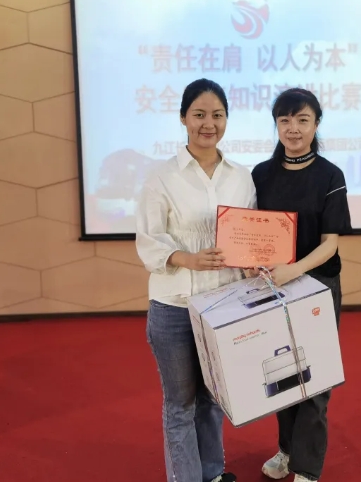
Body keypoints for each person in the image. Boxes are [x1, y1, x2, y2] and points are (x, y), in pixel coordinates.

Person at [136, 78, 255, 482]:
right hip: (174, 307)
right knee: (180, 404)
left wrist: (253, 262)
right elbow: (149, 240)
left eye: (217, 115)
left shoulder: (241, 177)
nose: (209, 124)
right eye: (199, 114)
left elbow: (248, 235)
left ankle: (213, 473)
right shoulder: (161, 177)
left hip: (224, 305)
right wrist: (187, 259)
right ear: (183, 118)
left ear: (227, 119)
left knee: (213, 399)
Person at [251, 88, 352, 482]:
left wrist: (294, 270)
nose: (293, 128)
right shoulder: (261, 174)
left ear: (316, 124)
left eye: (302, 120)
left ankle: (307, 469)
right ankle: (287, 451)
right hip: (274, 287)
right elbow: (253, 233)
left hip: (317, 286)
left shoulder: (330, 175)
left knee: (315, 376)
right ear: (276, 124)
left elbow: (330, 244)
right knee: (282, 374)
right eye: (285, 120)